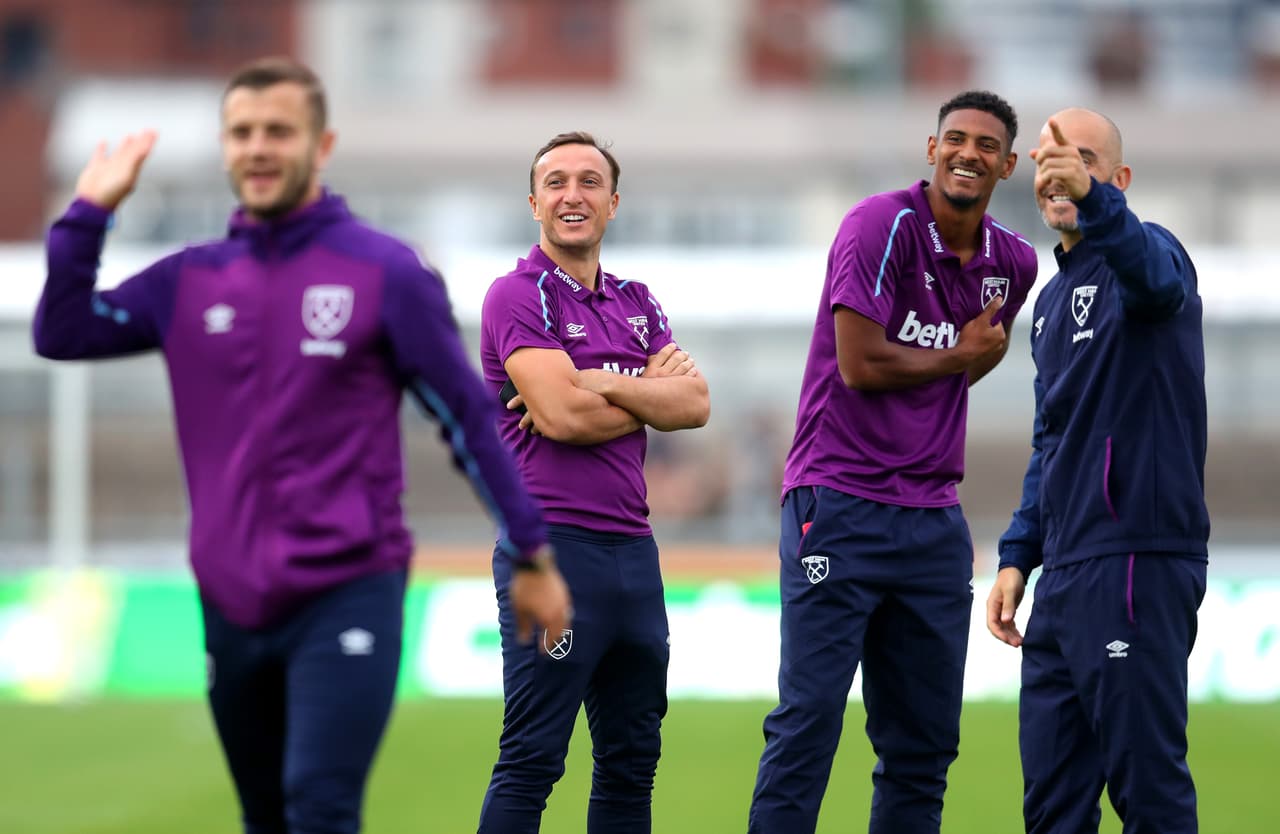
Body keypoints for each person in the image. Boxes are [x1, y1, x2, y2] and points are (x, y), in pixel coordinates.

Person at [32, 57, 571, 834]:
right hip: (229, 601)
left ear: (321, 146)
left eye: (278, 131)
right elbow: (61, 330)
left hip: (349, 585)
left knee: (320, 806)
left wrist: (532, 552)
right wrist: (88, 212)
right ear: (225, 148)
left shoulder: (386, 274)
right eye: (242, 132)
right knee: (267, 820)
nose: (258, 148)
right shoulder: (189, 281)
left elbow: (466, 419)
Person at [748, 90, 1039, 834]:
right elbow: (861, 363)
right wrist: (959, 353)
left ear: (1007, 164)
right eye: (955, 138)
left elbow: (963, 366)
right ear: (931, 147)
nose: (967, 153)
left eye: (985, 145)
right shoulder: (879, 225)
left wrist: (958, 358)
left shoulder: (1015, 261)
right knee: (809, 723)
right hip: (838, 501)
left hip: (934, 517)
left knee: (925, 746)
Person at [476, 131, 711, 834]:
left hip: (634, 554)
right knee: (533, 759)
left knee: (632, 759)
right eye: (555, 183)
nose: (571, 195)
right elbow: (560, 415)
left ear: (612, 203)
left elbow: (695, 406)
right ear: (534, 202)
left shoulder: (637, 300)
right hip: (553, 549)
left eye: (587, 182)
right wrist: (642, 392)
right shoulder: (516, 296)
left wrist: (602, 382)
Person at [986, 108, 1209, 833]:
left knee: (1147, 791)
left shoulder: (1151, 257)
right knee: (1051, 804)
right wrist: (1020, 556)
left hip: (1135, 557)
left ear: (1119, 179)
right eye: (1055, 161)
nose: (1063, 173)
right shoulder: (1049, 304)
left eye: (1084, 159)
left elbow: (1154, 281)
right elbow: (1052, 438)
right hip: (1065, 574)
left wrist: (1097, 201)